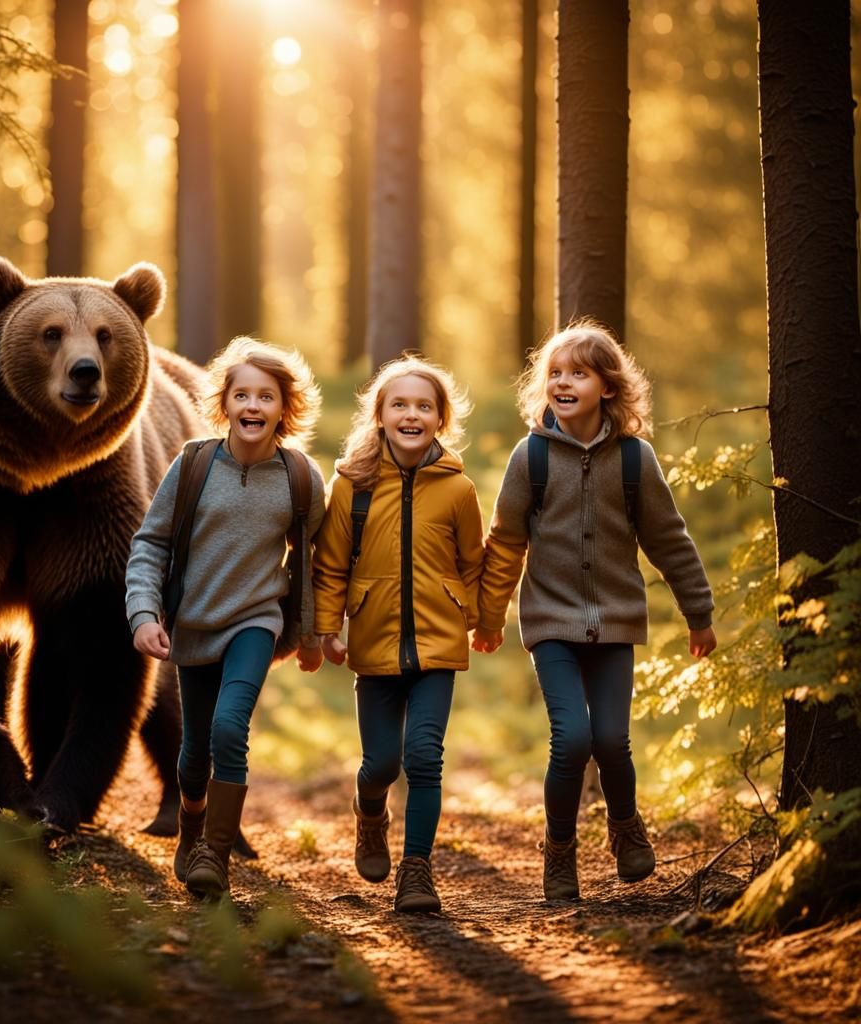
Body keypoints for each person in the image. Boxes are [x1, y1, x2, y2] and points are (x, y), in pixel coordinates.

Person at [473, 320, 717, 901]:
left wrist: (699, 612)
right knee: (572, 739)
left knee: (611, 740)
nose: (563, 382)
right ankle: (559, 851)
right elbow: (504, 543)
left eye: (578, 373)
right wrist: (490, 617)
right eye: (555, 373)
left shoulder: (635, 459)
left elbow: (669, 540)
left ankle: (625, 827)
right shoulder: (530, 457)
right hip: (550, 622)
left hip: (615, 620)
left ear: (607, 387)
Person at [125, 336, 325, 900]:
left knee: (229, 728)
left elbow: (314, 564)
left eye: (266, 396)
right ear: (225, 402)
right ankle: (191, 825)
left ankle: (214, 854)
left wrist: (311, 633)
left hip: (256, 622)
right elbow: (150, 545)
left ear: (284, 407)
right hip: (192, 625)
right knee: (193, 755)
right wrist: (143, 614)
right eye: (242, 395)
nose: (253, 405)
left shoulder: (301, 477)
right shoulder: (193, 465)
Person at [313, 355, 485, 914]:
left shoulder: (458, 489)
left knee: (424, 757)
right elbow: (330, 566)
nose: (412, 415)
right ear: (380, 415)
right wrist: (327, 629)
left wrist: (475, 616)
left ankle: (417, 871)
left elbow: (474, 563)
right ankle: (370, 813)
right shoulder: (353, 486)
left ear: (440, 418)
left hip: (438, 646)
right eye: (400, 405)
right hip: (373, 644)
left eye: (424, 406)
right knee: (382, 763)